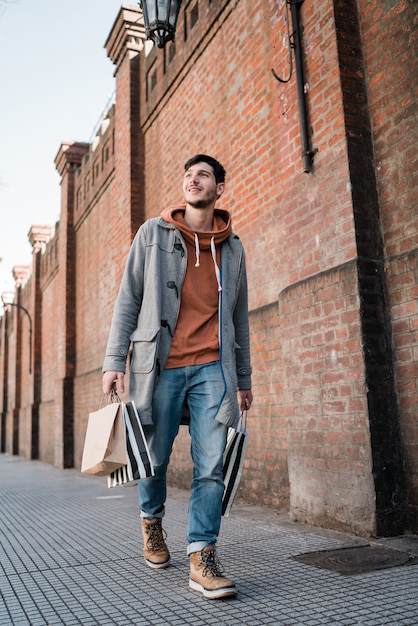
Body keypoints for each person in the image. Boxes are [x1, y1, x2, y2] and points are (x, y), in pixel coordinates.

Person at [102, 154, 253, 599]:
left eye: (203, 175)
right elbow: (128, 299)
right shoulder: (152, 234)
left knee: (212, 464)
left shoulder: (234, 247)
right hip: (160, 366)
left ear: (219, 188)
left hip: (213, 369)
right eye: (188, 175)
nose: (193, 180)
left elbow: (239, 318)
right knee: (154, 457)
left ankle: (201, 555)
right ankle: (152, 521)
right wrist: (115, 360)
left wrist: (244, 378)